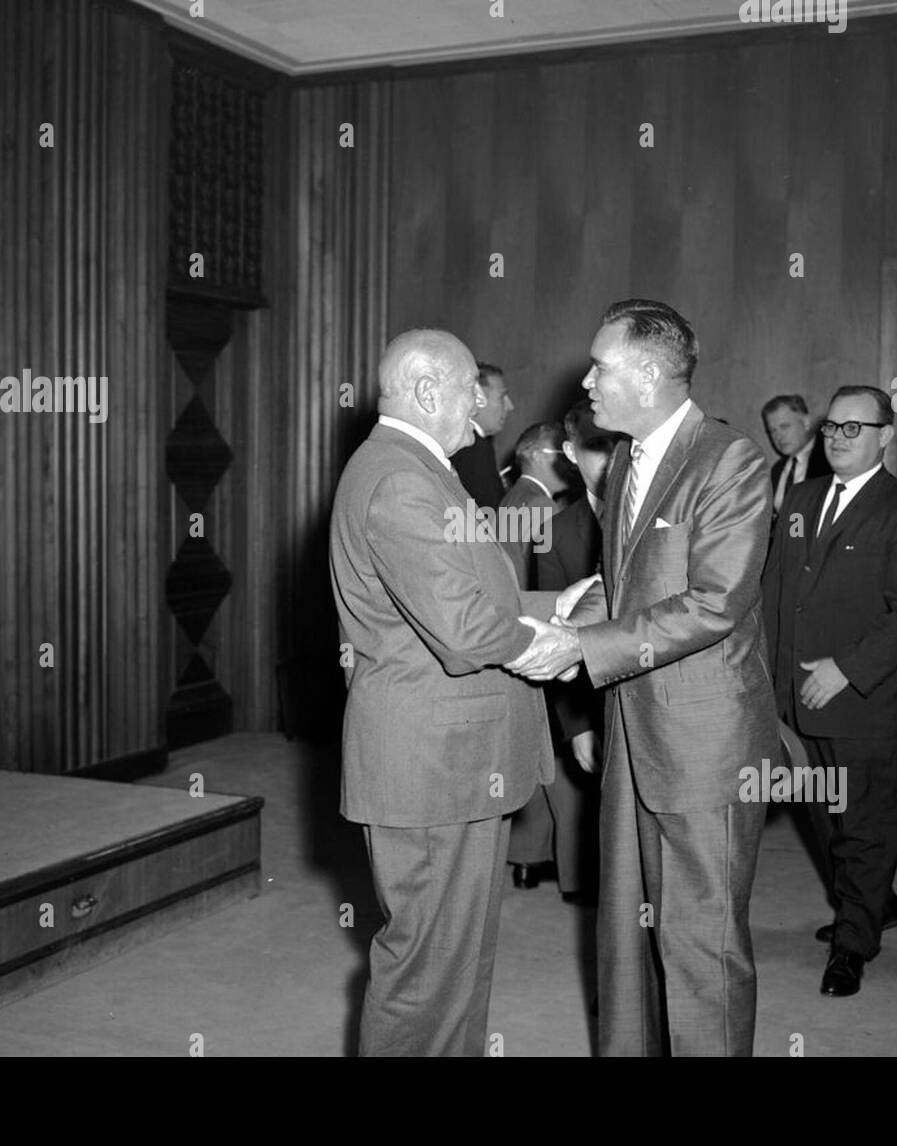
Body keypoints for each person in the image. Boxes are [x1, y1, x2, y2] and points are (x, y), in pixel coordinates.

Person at [506, 298, 778, 1056]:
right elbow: (632, 582)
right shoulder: (624, 455)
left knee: (700, 948)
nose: (586, 381)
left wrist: (583, 648)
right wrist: (580, 603)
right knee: (623, 934)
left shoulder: (728, 460)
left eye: (601, 366)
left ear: (652, 374)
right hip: (631, 727)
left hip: (703, 740)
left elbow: (715, 603)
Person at [328, 329, 555, 1055]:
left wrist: (555, 606)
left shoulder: (413, 467)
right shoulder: (401, 478)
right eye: (471, 393)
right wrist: (549, 645)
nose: (481, 407)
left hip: (448, 761)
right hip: (433, 766)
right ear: (431, 391)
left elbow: (460, 592)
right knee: (426, 974)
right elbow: (461, 629)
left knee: (454, 966)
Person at [762, 386, 897, 998]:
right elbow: (774, 593)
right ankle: (869, 903)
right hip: (796, 701)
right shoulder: (801, 499)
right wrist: (765, 675)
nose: (838, 439)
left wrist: (847, 669)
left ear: (886, 437)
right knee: (825, 819)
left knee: (867, 824)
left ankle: (853, 945)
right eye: (832, 428)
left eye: (854, 429)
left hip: (865, 702)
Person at [509, 401, 610, 898]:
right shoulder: (554, 528)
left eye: (619, 444)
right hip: (591, 698)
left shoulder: (656, 514)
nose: (613, 458)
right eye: (598, 448)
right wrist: (579, 726)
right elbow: (555, 629)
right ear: (570, 453)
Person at [497, 421, 567, 590]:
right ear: (537, 455)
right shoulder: (542, 505)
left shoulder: (511, 497)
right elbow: (547, 576)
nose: (571, 463)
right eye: (563, 453)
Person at [762, 394, 832, 524]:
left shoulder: (829, 460)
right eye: (772, 431)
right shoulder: (777, 470)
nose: (778, 436)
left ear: (806, 422)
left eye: (784, 426)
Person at [451, 361, 512, 510]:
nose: (510, 406)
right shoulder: (474, 448)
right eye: (501, 397)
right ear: (477, 399)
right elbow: (489, 514)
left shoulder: (458, 442)